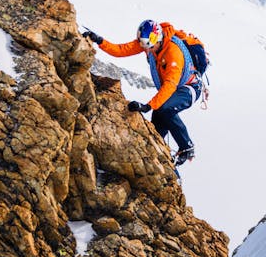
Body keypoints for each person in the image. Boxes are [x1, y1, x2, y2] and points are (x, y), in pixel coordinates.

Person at [83, 20, 200, 165]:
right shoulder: (150, 43)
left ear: (157, 39)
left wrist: (148, 106)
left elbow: (170, 85)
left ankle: (186, 147)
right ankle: (161, 157)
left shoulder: (173, 53)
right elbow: (122, 50)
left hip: (189, 87)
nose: (147, 50)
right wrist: (99, 40)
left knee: (165, 109)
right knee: (158, 123)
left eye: (149, 47)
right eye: (145, 47)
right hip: (173, 89)